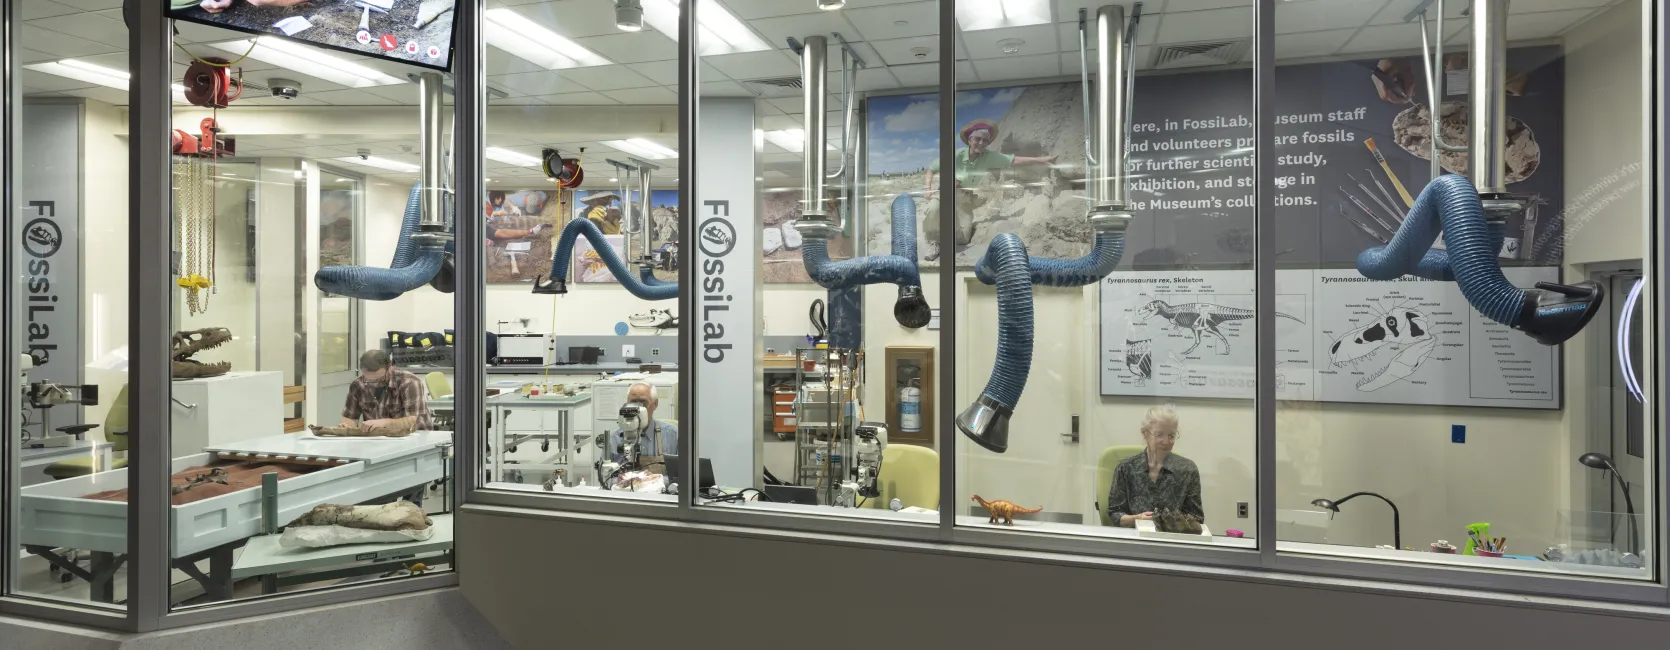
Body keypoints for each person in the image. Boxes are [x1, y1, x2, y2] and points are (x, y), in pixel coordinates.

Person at [922, 119, 1057, 260]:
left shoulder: (989, 157)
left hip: (965, 197)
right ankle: (934, 242)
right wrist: (928, 189)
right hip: (946, 192)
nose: (981, 143)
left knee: (963, 239)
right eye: (977, 139)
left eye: (985, 141)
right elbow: (931, 169)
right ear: (969, 140)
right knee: (933, 208)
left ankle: (949, 224)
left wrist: (1042, 160)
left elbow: (1014, 160)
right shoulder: (956, 155)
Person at [1106, 404, 1204, 527]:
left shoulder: (1187, 470)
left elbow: (1197, 518)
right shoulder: (1126, 468)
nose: (1166, 442)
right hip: (1134, 538)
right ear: (1144, 433)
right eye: (1159, 435)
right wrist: (1137, 518)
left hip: (1172, 540)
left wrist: (1170, 522)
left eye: (1171, 436)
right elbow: (1115, 514)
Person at [339, 349, 434, 433]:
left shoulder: (409, 382)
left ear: (389, 367)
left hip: (415, 437)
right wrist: (347, 426)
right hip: (378, 440)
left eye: (379, 379)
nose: (373, 383)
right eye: (368, 380)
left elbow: (413, 421)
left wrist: (384, 423)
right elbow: (350, 418)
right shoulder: (358, 384)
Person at [607, 383, 678, 467]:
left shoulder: (673, 435)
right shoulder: (614, 438)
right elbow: (606, 477)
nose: (638, 409)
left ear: (655, 404)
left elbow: (681, 474)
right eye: (633, 402)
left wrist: (656, 479)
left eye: (643, 403)